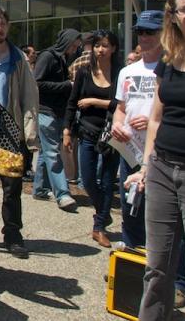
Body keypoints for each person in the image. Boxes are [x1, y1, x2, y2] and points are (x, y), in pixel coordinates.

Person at [112, 10, 185, 308]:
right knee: (131, 214)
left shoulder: (172, 66)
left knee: (173, 229)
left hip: (163, 155)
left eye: (150, 32)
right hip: (129, 152)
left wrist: (152, 120)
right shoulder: (128, 71)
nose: (144, 37)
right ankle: (130, 269)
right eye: (140, 32)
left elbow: (166, 114)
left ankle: (180, 282)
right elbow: (120, 107)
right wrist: (119, 122)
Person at [0, 6, 38, 258]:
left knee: (11, 188)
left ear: (8, 26)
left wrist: (28, 135)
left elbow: (29, 97)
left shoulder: (18, 59)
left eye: (2, 23)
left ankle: (13, 233)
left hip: (11, 132)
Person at [62, 30, 120, 247]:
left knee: (106, 181)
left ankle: (99, 226)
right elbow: (72, 101)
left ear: (114, 48)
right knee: (87, 180)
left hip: (113, 134)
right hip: (87, 132)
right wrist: (66, 130)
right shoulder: (84, 72)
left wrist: (95, 101)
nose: (100, 50)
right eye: (97, 45)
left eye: (105, 45)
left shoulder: (120, 73)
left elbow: (122, 104)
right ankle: (104, 213)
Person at [33, 29, 81, 211]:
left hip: (56, 111)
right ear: (66, 43)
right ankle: (62, 193)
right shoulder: (48, 56)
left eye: (77, 47)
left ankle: (39, 188)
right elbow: (37, 82)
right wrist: (66, 85)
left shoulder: (60, 58)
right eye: (73, 46)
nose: (75, 50)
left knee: (47, 151)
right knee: (53, 152)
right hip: (46, 111)